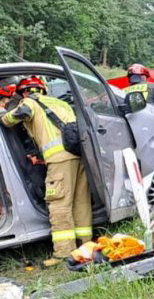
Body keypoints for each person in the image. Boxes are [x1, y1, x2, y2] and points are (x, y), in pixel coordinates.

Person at [0, 77, 91, 266]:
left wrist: (2, 110)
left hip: (58, 160)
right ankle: (85, 246)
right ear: (43, 89)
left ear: (25, 92)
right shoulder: (60, 103)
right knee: (80, 201)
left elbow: (11, 120)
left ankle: (63, 253)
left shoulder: (29, 103)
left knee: (59, 204)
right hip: (77, 156)